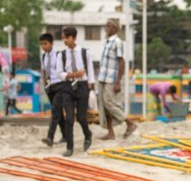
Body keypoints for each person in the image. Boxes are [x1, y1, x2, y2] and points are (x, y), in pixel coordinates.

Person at [96, 20, 136, 140]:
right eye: (106, 26)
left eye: (108, 26)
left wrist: (118, 81)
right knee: (104, 105)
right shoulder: (107, 42)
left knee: (109, 103)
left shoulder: (118, 42)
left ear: (115, 28)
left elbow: (121, 62)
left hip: (111, 79)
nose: (106, 28)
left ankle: (129, 123)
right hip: (102, 77)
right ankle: (110, 133)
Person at [60, 26, 95, 155]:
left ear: (73, 38)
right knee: (69, 118)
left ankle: (88, 134)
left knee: (81, 117)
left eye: (67, 37)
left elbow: (90, 70)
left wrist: (90, 84)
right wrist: (74, 75)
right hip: (67, 87)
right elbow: (60, 74)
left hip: (82, 86)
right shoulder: (61, 55)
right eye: (63, 37)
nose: (65, 40)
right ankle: (70, 147)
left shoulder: (85, 52)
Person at [38, 33, 67, 146]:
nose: (43, 46)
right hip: (50, 87)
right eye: (41, 44)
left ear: (52, 43)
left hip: (60, 85)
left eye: (45, 44)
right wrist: (44, 82)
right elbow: (43, 71)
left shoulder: (59, 55)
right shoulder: (43, 56)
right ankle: (65, 135)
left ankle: (50, 137)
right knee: (58, 112)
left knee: (55, 111)